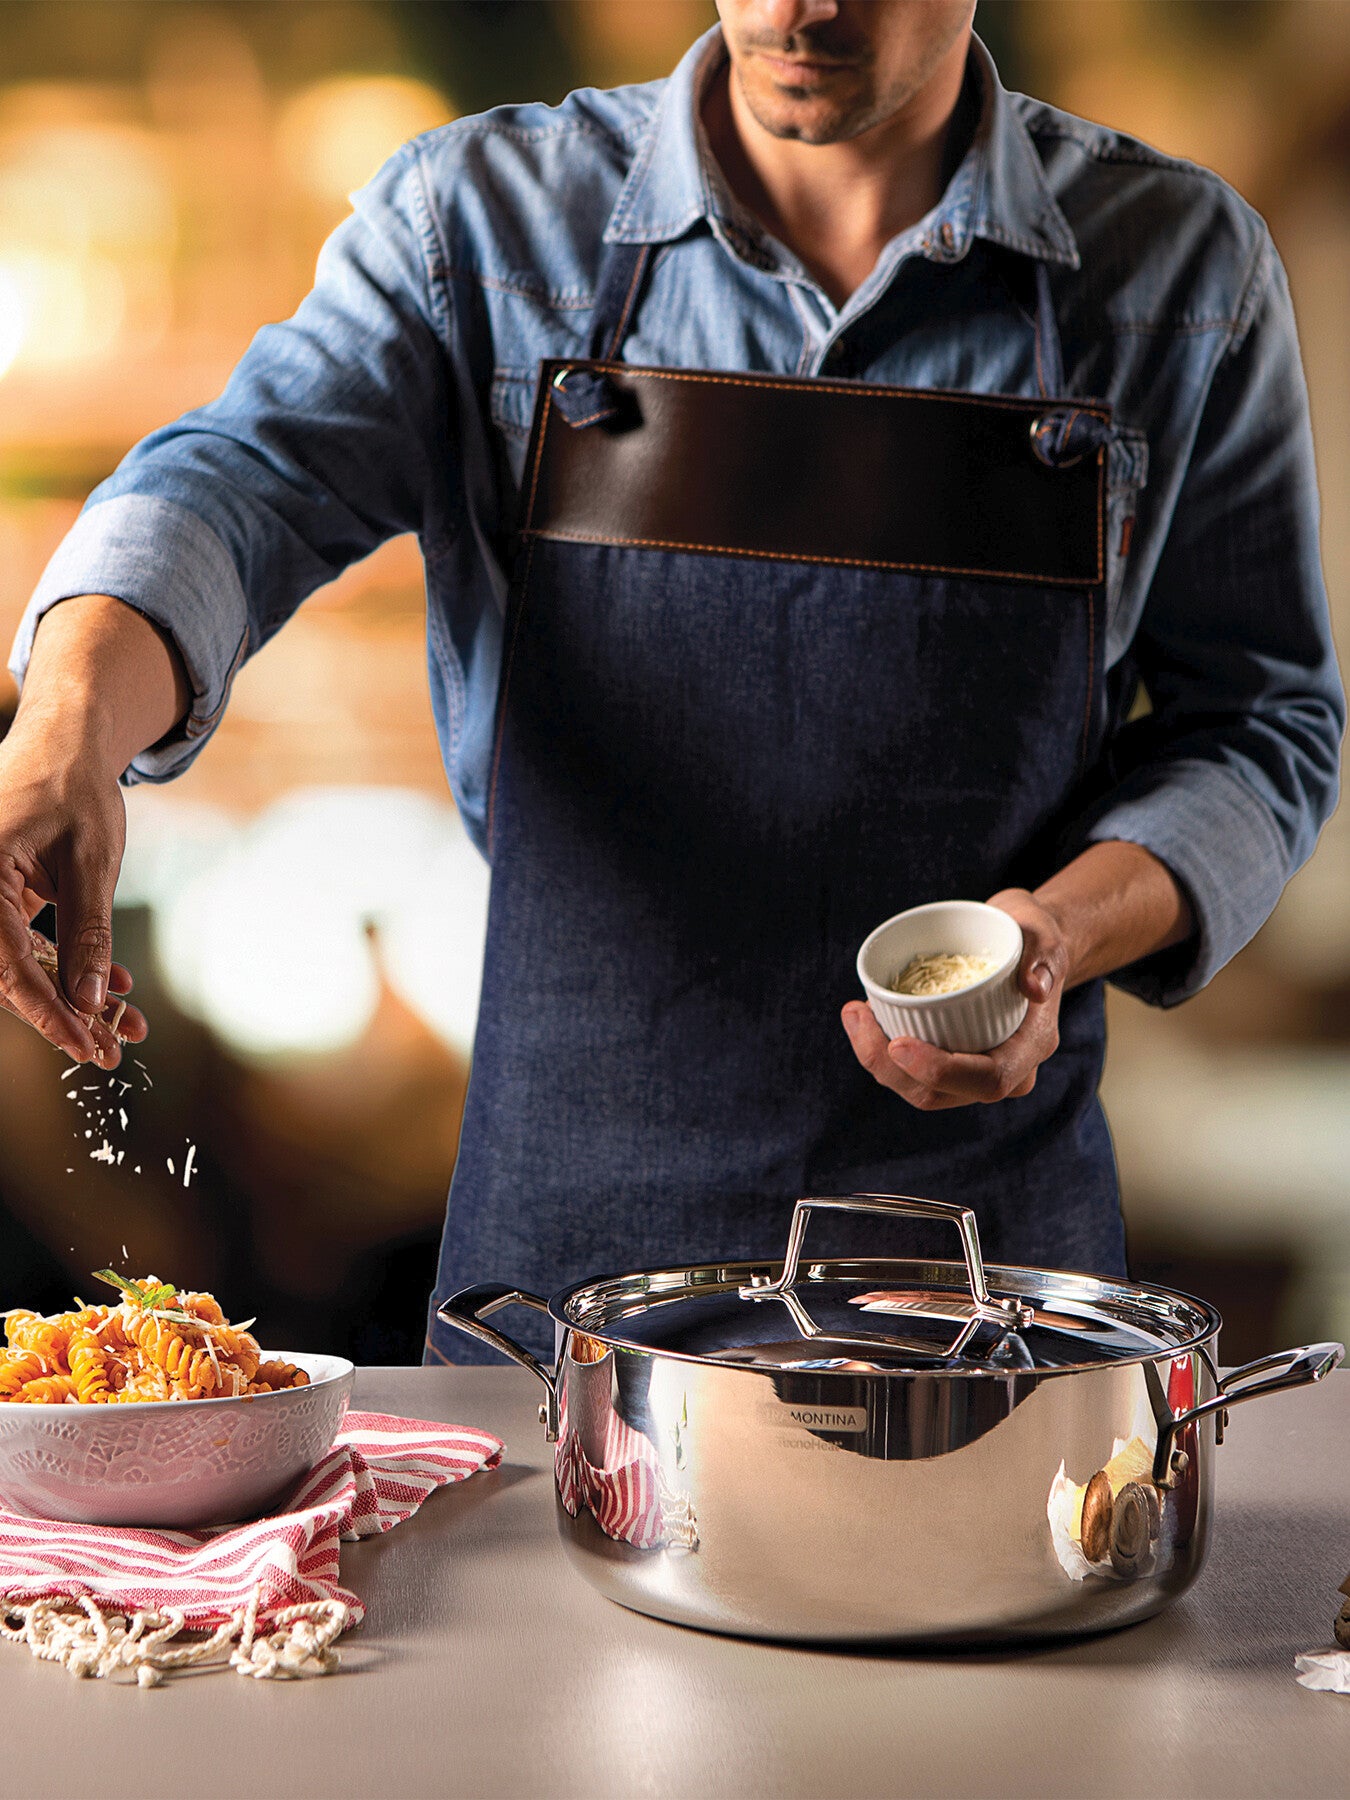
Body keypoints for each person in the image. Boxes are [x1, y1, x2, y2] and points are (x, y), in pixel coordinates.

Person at [1, 1, 1341, 1362]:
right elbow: (236, 485)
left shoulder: (1179, 271)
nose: (794, 5)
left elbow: (1259, 722)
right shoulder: (478, 229)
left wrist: (1055, 936)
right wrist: (66, 723)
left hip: (978, 1277)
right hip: (561, 1283)